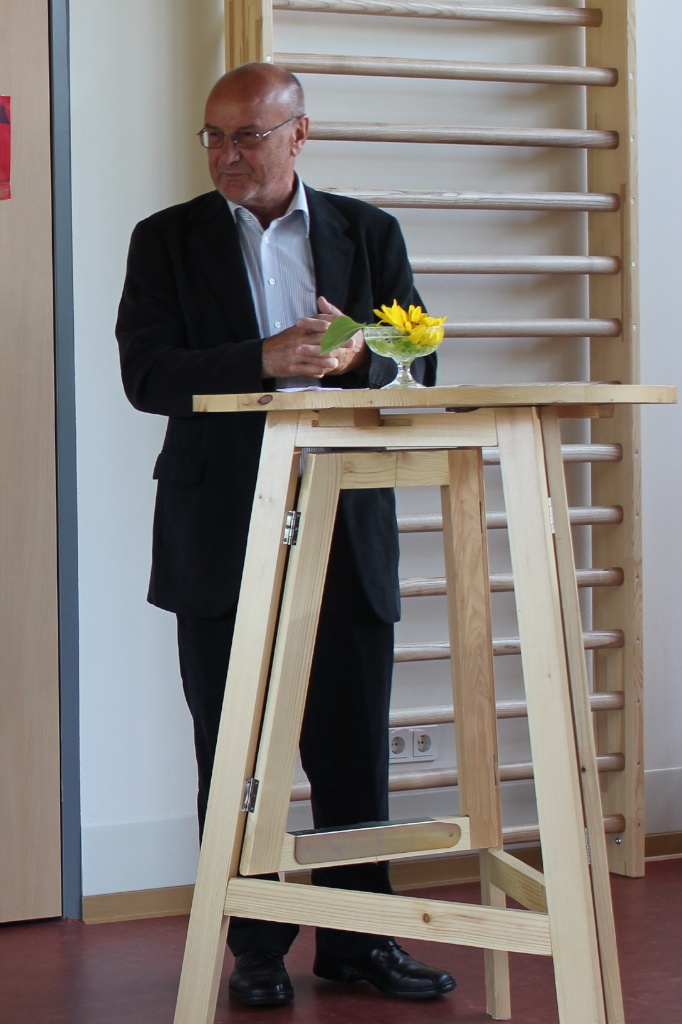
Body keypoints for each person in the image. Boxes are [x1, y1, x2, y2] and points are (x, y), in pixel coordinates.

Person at [116, 62, 454, 1008]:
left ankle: (360, 941)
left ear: (299, 133)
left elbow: (422, 361)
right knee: (236, 754)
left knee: (352, 751)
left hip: (345, 521)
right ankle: (255, 947)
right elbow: (146, 374)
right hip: (219, 527)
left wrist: (363, 352)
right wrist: (261, 359)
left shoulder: (369, 232)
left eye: (248, 136)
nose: (227, 155)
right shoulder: (165, 239)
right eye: (214, 136)